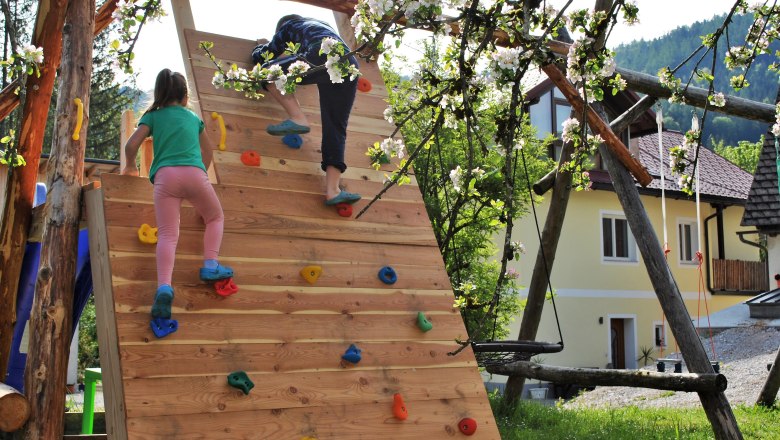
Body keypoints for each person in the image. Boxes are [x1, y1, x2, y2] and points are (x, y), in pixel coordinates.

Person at [121, 68, 234, 319]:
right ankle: (211, 264)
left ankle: (164, 286)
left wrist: (130, 166)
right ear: (184, 96)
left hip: (165, 178)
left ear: (160, 94)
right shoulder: (193, 118)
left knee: (168, 235)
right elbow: (209, 153)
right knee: (215, 218)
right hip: (194, 174)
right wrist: (198, 176)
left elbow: (131, 145)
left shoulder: (153, 117)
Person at [252, 14, 361, 206]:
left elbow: (267, 53)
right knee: (336, 127)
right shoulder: (321, 26)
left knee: (269, 72)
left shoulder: (290, 25)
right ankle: (333, 191)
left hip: (323, 52)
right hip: (349, 64)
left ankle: (298, 117)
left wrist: (257, 51)